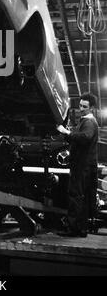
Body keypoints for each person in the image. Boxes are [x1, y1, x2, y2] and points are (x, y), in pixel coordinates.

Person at [56, 92, 98, 237]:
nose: (81, 109)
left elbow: (85, 138)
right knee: (82, 197)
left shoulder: (89, 122)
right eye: (80, 105)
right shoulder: (84, 121)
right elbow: (77, 140)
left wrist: (67, 132)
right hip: (83, 166)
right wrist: (67, 134)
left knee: (76, 196)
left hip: (82, 166)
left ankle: (73, 229)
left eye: (85, 107)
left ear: (92, 108)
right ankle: (81, 229)